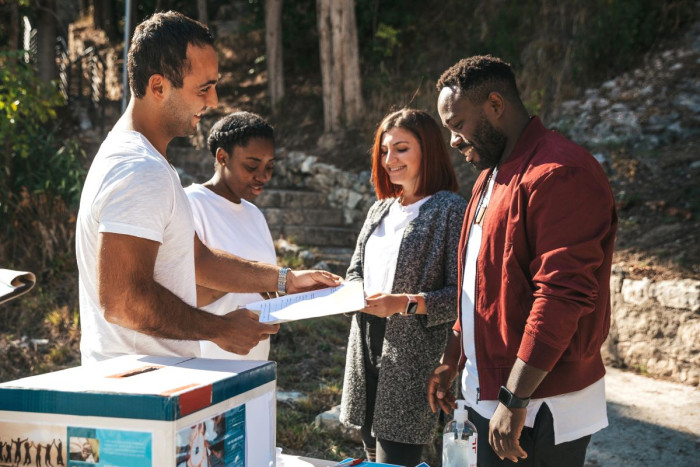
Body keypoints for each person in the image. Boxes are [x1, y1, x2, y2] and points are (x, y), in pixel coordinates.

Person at [75, 11, 340, 364]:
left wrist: (285, 281)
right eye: (204, 88)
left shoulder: (144, 162)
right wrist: (219, 328)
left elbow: (196, 259)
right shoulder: (139, 168)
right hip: (137, 395)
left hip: (149, 385)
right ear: (158, 87)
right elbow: (123, 301)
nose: (214, 101)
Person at [427, 55, 617, 466]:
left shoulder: (559, 172)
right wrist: (454, 357)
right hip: (490, 394)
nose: (454, 141)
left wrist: (515, 400)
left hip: (539, 405)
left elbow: (562, 296)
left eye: (458, 125)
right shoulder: (489, 176)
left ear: (495, 105)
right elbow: (476, 285)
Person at [339, 109, 467, 465]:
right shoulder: (379, 209)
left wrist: (405, 303)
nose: (389, 160)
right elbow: (355, 271)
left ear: (428, 150)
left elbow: (464, 296)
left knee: (396, 460)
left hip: (415, 360)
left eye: (401, 149)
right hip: (365, 348)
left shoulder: (450, 210)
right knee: (370, 455)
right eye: (384, 150)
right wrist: (350, 291)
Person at [185, 111, 277, 360]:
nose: (263, 176)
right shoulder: (190, 205)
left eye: (269, 167)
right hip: (208, 366)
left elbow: (265, 289)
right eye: (252, 166)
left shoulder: (255, 215)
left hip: (255, 364)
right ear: (222, 157)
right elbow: (179, 294)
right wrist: (251, 277)